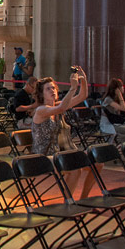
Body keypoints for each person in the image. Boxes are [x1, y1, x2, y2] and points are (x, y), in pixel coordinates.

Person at [32, 67, 95, 198]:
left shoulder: (59, 105)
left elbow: (82, 96)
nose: (52, 91)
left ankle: (84, 199)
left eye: (53, 88)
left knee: (97, 163)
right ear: (41, 94)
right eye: (48, 89)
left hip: (62, 152)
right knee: (75, 169)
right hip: (45, 155)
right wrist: (72, 88)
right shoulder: (41, 110)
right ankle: (69, 202)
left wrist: (83, 79)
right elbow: (61, 108)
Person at [101, 78, 125, 144]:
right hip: (109, 124)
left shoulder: (115, 99)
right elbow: (123, 108)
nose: (123, 88)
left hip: (116, 122)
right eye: (121, 86)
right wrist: (120, 95)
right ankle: (123, 145)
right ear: (116, 89)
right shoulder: (108, 100)